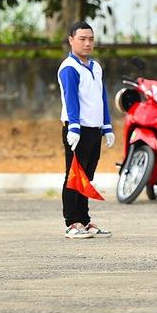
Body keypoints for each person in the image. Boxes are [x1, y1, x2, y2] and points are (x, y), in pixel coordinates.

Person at [57, 21, 115, 239]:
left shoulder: (95, 67)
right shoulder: (69, 68)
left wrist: (106, 126)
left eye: (90, 39)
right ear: (71, 40)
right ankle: (72, 222)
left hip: (94, 129)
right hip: (77, 130)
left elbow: (101, 98)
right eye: (82, 39)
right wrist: (73, 126)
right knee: (74, 175)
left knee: (86, 176)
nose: (87, 43)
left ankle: (85, 220)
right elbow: (71, 99)